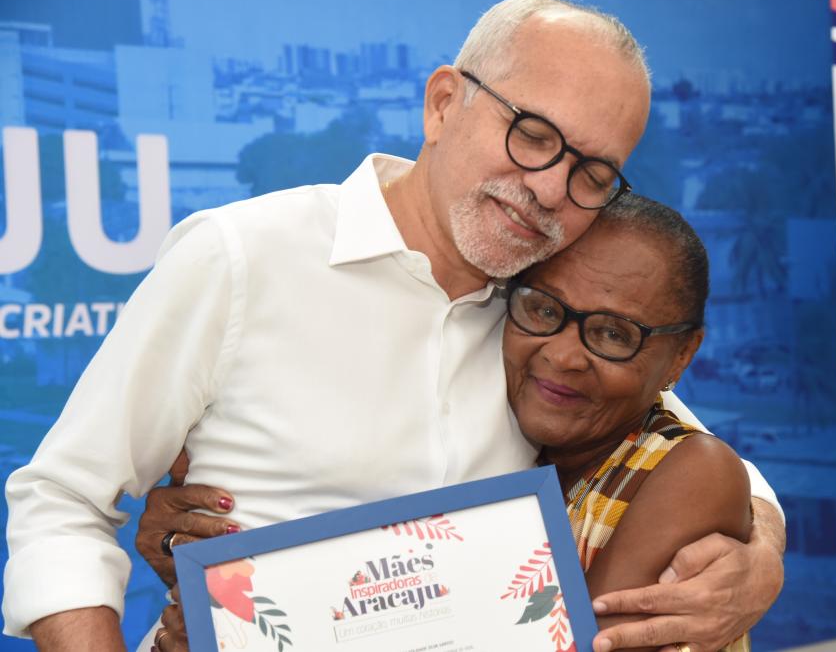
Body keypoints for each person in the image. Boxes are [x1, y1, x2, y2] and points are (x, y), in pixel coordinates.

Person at [3, 0, 784, 652]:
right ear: (444, 104)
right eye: (533, 135)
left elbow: (687, 443)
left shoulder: (544, 316)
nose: (550, 188)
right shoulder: (242, 257)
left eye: (592, 172)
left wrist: (764, 554)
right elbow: (64, 501)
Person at [147, 194, 754, 652]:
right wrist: (228, 607)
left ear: (682, 354)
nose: (565, 354)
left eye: (614, 334)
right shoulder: (503, 429)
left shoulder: (688, 471)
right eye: (545, 309)